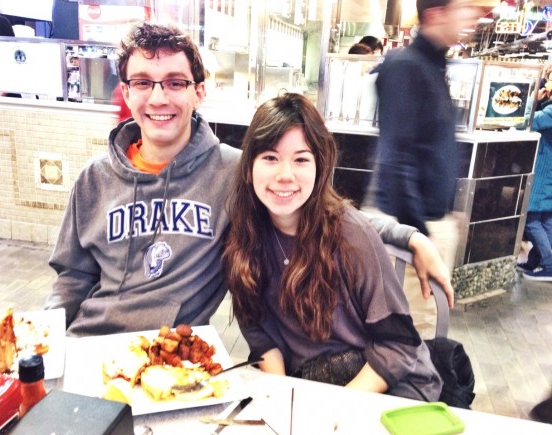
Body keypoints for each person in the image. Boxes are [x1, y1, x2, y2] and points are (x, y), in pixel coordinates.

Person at [45, 22, 453, 337]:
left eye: (174, 83)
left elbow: (321, 207)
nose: (158, 98)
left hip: (171, 356)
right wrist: (46, 340)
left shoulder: (234, 173)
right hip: (89, 344)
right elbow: (74, 277)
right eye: (143, 83)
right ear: (126, 91)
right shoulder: (93, 179)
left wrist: (411, 238)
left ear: (198, 92)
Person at [222, 93, 442, 401]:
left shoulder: (352, 235)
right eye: (270, 158)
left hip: (389, 384)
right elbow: (261, 339)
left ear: (320, 168)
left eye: (301, 159)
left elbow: (398, 344)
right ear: (249, 169)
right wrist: (283, 402)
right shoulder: (243, 240)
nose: (284, 175)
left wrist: (333, 410)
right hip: (312, 385)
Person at [365, 0, 480, 338]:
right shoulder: (406, 66)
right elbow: (396, 158)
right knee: (412, 337)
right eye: (463, 8)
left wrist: (448, 212)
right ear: (435, 14)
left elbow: (430, 149)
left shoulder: (432, 65)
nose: (471, 16)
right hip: (408, 227)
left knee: (422, 331)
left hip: (426, 223)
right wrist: (421, 238)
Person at [517, 94, 552, 281]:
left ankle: (549, 264)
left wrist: (532, 99)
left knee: (530, 217)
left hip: (544, 170)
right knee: (546, 218)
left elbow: (526, 121)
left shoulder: (551, 111)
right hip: (549, 170)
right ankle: (535, 261)